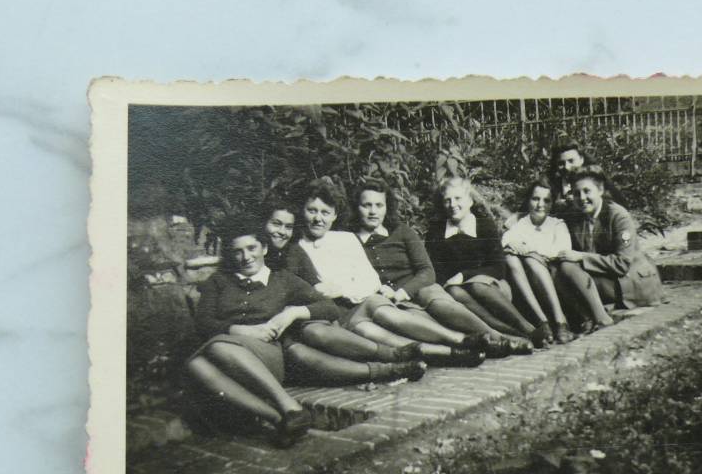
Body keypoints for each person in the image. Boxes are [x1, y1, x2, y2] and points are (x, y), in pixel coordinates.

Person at [186, 217, 423, 448]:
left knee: (217, 346)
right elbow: (203, 322)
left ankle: (289, 405)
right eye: (238, 251)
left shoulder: (282, 280)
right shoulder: (219, 281)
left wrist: (293, 312)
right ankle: (281, 418)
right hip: (230, 350)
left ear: (264, 248)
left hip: (267, 354)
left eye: (251, 248)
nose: (246, 257)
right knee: (196, 365)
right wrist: (241, 329)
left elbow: (328, 307)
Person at [292, 180, 486, 367]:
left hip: (365, 302)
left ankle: (459, 340)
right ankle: (448, 354)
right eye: (312, 211)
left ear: (334, 215)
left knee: (381, 309)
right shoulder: (296, 248)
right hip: (338, 315)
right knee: (371, 332)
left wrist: (342, 290)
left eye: (325, 212)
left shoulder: (346, 239)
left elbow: (371, 281)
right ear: (302, 211)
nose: (318, 218)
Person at [347, 178, 531, 358]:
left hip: (419, 288)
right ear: (357, 207)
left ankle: (499, 339)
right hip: (388, 300)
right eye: (367, 205)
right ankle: (477, 345)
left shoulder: (402, 231)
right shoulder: (348, 240)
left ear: (387, 207)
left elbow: (427, 271)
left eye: (379, 205)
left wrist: (404, 291)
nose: (373, 211)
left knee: (439, 303)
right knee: (416, 322)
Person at [262, 202, 427, 368]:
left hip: (300, 322)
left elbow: (322, 299)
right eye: (276, 224)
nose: (282, 231)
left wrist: (295, 311)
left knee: (317, 333)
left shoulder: (293, 252)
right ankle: (391, 365)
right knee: (300, 351)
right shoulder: (254, 253)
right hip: (271, 328)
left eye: (288, 227)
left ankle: (394, 357)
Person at [424, 177, 540, 348]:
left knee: (476, 285)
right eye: (447, 200)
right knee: (454, 292)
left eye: (458, 198)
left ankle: (526, 328)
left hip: (491, 287)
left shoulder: (484, 225)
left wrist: (464, 275)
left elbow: (499, 268)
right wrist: (449, 283)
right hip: (459, 292)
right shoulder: (436, 231)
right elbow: (436, 269)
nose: (452, 204)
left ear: (470, 201)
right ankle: (508, 333)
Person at [502, 177, 614, 343]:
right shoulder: (520, 223)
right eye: (535, 199)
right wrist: (513, 244)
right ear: (528, 201)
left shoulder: (556, 224)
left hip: (554, 277)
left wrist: (530, 251)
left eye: (546, 200)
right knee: (511, 258)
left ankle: (560, 322)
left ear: (552, 204)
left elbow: (561, 250)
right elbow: (506, 239)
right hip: (530, 279)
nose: (540, 204)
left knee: (531, 260)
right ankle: (543, 323)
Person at [559, 166, 665, 310]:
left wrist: (581, 257)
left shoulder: (619, 216)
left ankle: (594, 317)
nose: (582, 198)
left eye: (587, 191)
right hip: (604, 276)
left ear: (600, 190)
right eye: (577, 193)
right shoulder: (577, 216)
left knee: (569, 281)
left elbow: (622, 263)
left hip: (629, 282)